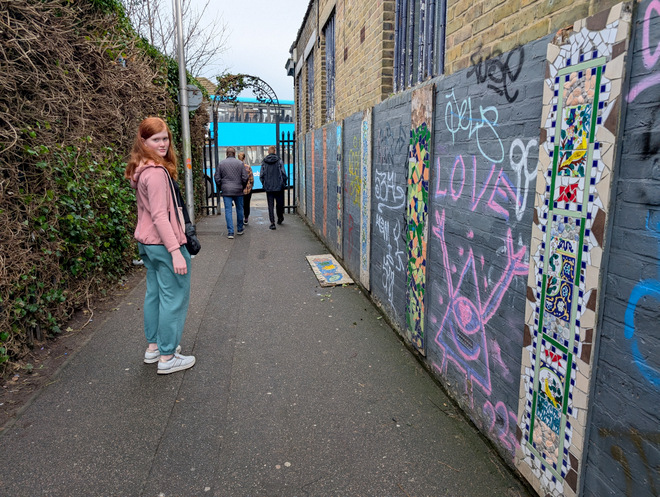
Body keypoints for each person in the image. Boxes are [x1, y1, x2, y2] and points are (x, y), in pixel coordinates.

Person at [124, 117, 195, 375]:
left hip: (148, 243)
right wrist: (176, 252)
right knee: (173, 298)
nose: (163, 144)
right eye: (156, 139)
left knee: (154, 294)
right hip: (164, 244)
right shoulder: (155, 173)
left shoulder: (141, 169)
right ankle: (167, 356)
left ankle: (154, 348)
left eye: (165, 138)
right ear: (143, 141)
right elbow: (159, 216)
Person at [214, 147, 248, 238]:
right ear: (234, 153)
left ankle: (230, 232)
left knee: (228, 211)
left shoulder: (221, 164)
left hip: (226, 190)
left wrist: (221, 187)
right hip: (238, 190)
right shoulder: (240, 164)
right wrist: (242, 186)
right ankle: (240, 229)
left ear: (226, 154)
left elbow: (217, 178)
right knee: (240, 209)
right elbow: (245, 177)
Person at [259, 145, 288, 230]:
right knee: (279, 204)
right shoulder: (279, 161)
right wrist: (284, 183)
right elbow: (283, 173)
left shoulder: (264, 162)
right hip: (278, 187)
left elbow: (261, 175)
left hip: (269, 187)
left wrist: (264, 183)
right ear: (274, 151)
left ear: (268, 152)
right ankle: (280, 218)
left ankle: (272, 223)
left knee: (270, 205)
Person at [237, 152, 254, 225]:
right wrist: (251, 186)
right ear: (244, 158)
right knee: (247, 204)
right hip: (247, 189)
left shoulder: (236, 167)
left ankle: (240, 218)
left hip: (239, 189)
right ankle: (246, 217)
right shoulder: (248, 167)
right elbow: (251, 179)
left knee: (240, 205)